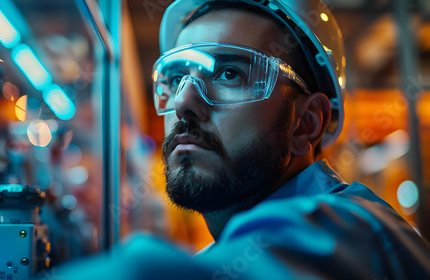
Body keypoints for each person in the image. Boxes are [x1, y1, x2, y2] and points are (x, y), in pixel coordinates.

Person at [47, 0, 430, 279]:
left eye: (229, 74)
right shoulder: (221, 254)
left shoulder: (350, 230)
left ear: (306, 123)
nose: (183, 102)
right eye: (176, 78)